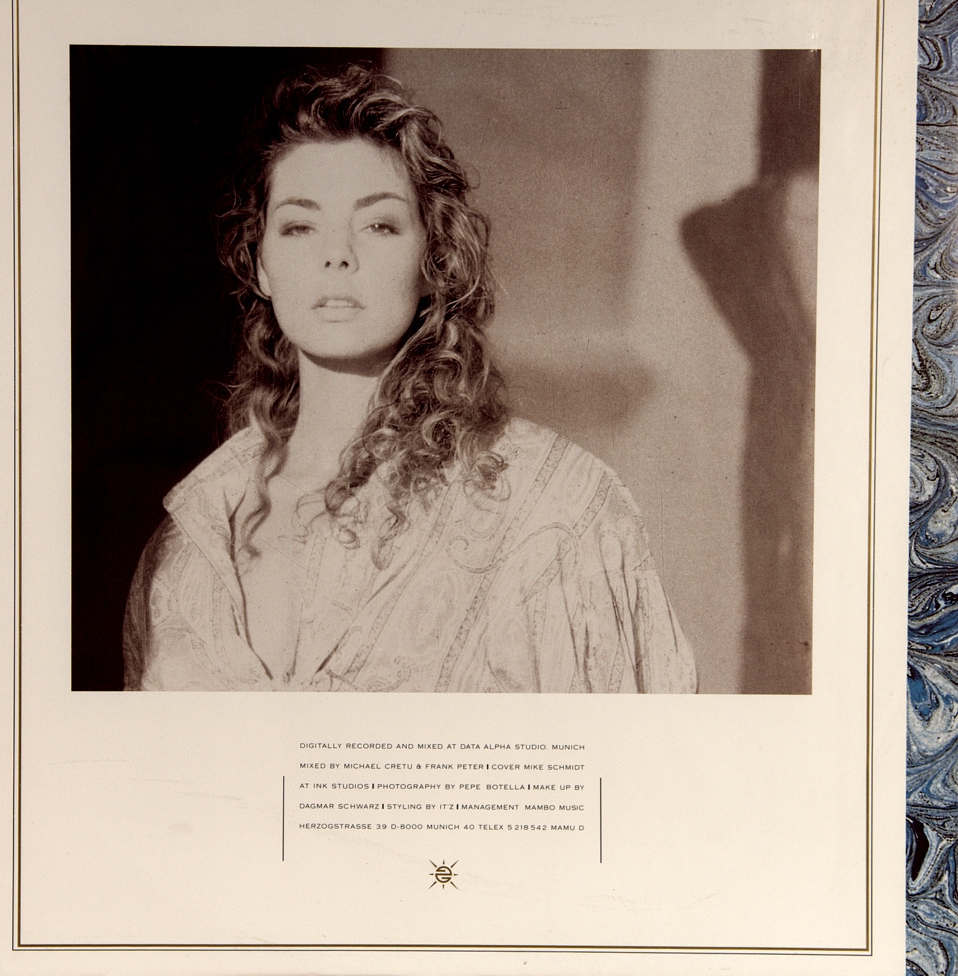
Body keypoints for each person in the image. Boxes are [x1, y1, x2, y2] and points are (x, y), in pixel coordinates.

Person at [122, 64, 697, 693]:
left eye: (379, 224)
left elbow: (636, 748)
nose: (336, 255)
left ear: (432, 260)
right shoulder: (186, 541)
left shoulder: (558, 508)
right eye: (299, 225)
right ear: (260, 264)